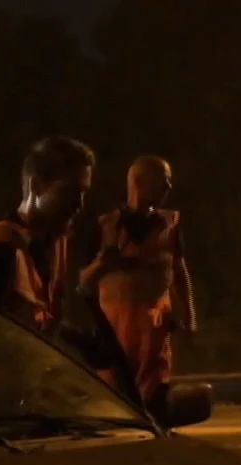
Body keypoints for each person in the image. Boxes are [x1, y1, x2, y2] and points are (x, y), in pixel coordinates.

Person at [79, 155, 197, 416]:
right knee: (113, 410)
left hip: (154, 345)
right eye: (162, 181)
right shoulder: (106, 227)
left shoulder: (169, 226)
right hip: (114, 344)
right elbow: (83, 283)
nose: (168, 187)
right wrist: (101, 264)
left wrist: (189, 315)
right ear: (137, 182)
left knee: (155, 411)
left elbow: (180, 271)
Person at [0, 135, 97, 333]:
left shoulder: (55, 246)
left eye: (83, 193)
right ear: (36, 186)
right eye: (70, 192)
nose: (79, 204)